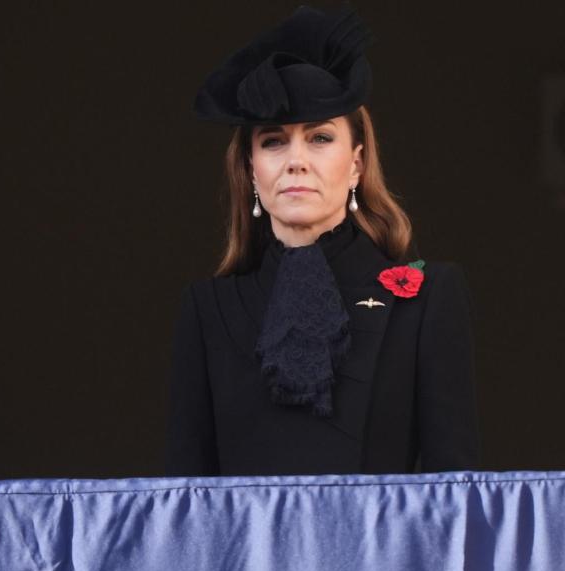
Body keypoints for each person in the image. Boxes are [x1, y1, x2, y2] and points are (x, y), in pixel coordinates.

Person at [166, 7, 479, 476]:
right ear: (251, 169)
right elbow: (185, 499)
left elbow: (455, 492)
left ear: (356, 163)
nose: (296, 161)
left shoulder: (428, 298)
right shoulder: (207, 309)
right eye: (273, 141)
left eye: (319, 138)